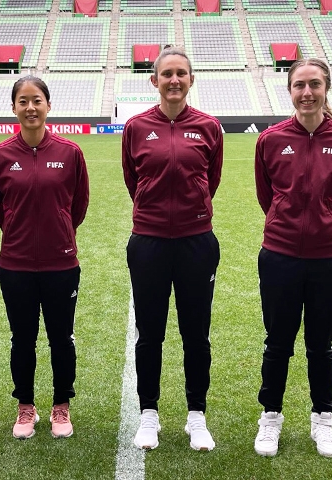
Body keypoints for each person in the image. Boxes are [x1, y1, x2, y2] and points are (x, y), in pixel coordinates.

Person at [253, 58, 332, 458]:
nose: (307, 92)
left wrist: (326, 224)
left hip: (331, 258)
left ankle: (323, 419)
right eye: (299, 85)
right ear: (290, 90)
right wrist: (288, 226)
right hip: (280, 256)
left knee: (322, 344)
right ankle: (271, 417)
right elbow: (267, 196)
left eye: (314, 84)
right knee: (277, 343)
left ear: (326, 88)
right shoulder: (269, 139)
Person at [122, 46, 223, 451]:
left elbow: (210, 180)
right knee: (150, 333)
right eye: (167, 74)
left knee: (195, 333)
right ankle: (149, 414)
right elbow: (134, 180)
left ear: (191, 79)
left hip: (196, 241)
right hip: (148, 242)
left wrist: (189, 213)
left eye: (182, 73)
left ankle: (196, 415)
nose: (174, 80)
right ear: (155, 81)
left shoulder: (209, 127)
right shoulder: (135, 127)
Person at [0, 76, 89, 440]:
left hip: (62, 263)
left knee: (62, 338)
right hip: (15, 265)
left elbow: (78, 205)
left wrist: (59, 232)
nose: (31, 107)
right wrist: (18, 232)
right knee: (22, 338)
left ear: (48, 105)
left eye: (37, 100)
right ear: (14, 107)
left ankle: (61, 406)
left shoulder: (70, 152)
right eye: (23, 101)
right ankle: (25, 406)